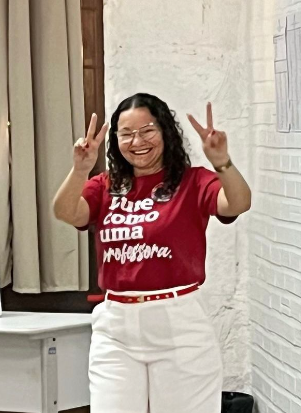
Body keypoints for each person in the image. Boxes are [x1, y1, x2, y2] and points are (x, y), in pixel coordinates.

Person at [53, 93, 251, 413]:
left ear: (165, 132)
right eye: (126, 134)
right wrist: (80, 170)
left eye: (147, 131)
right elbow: (65, 212)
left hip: (179, 323)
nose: (137, 142)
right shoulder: (106, 185)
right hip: (115, 326)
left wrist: (222, 162)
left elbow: (238, 203)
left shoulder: (193, 181)